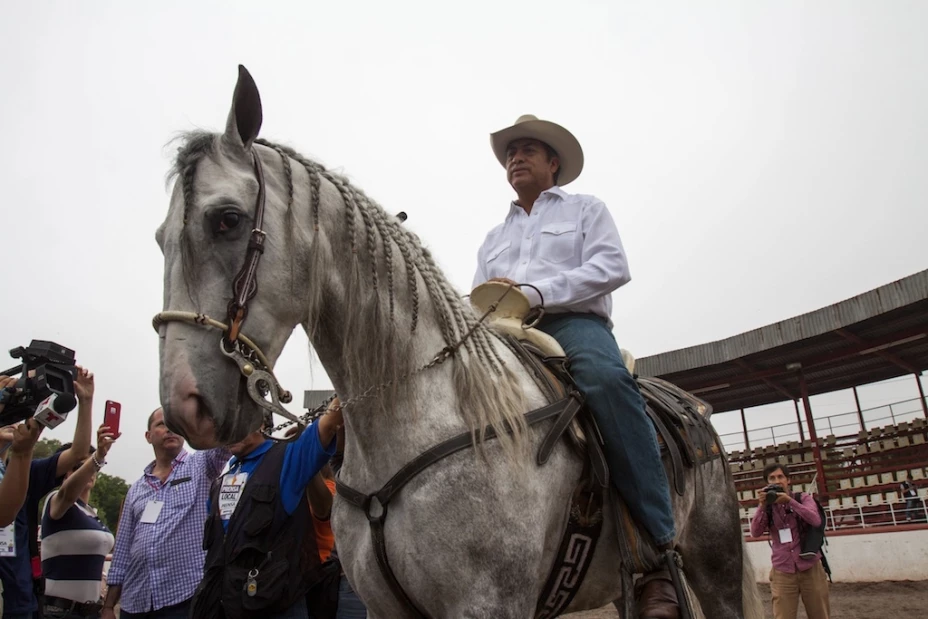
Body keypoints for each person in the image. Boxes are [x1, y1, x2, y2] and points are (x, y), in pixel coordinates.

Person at [472, 114, 679, 618]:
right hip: (501, 336)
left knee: (608, 383)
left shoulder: (587, 209)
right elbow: (477, 298)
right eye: (510, 153)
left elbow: (612, 267)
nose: (515, 158)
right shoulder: (492, 237)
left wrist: (540, 292)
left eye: (526, 150)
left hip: (572, 326)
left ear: (553, 163)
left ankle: (659, 554)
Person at [189, 405, 343, 619]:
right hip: (220, 606)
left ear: (262, 423)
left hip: (273, 605)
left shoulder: (288, 458)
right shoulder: (223, 479)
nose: (230, 430)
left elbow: (329, 424)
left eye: (238, 421)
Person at [101, 408, 230, 619]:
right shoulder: (136, 488)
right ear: (148, 436)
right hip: (136, 602)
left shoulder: (202, 464)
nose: (169, 428)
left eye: (176, 423)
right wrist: (108, 606)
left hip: (185, 598)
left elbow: (227, 435)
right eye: (161, 424)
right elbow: (123, 548)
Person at [1, 367, 95, 619]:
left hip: (20, 600)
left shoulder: (22, 472)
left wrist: (85, 400)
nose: (12, 419)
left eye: (17, 414)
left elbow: (78, 453)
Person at [40, 425, 120, 618]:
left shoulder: (92, 513)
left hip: (91, 611)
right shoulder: (57, 500)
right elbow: (68, 492)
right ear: (64, 471)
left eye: (90, 466)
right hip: (61, 611)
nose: (88, 470)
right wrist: (97, 457)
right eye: (78, 466)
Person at [750, 462, 830, 619]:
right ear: (767, 483)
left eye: (780, 476)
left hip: (810, 566)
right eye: (772, 478)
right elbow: (755, 532)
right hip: (782, 570)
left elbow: (815, 520)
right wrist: (762, 505)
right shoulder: (768, 506)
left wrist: (789, 501)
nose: (777, 481)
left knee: (820, 614)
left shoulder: (803, 498)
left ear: (788, 480)